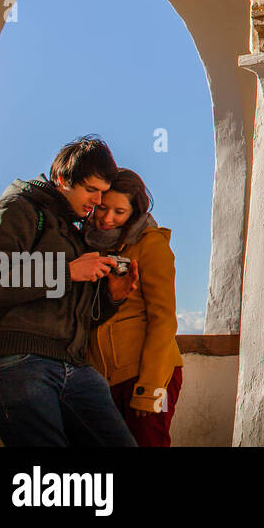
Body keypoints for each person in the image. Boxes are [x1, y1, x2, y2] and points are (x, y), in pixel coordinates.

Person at [0, 135, 139, 446]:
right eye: (91, 190)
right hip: (14, 361)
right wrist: (67, 271)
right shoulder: (16, 209)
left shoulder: (71, 232)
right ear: (61, 178)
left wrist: (112, 296)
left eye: (102, 192)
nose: (98, 202)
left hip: (75, 367)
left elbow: (63, 311)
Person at [86, 168, 183, 446]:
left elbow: (163, 318)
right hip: (104, 380)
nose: (108, 219)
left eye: (119, 211)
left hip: (148, 375)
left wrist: (149, 387)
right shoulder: (90, 246)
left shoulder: (150, 244)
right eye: (103, 208)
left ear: (135, 211)